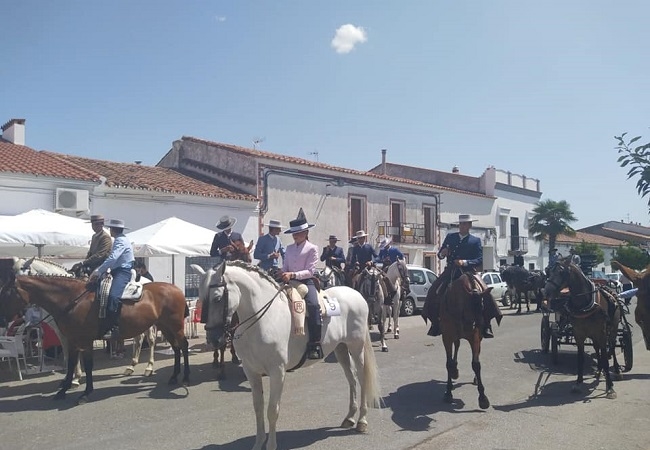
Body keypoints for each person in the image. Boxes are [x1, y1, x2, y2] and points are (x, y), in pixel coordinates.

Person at [423, 214, 501, 339]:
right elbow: (440, 254)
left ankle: (486, 324)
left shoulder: (475, 240)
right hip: (451, 271)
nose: (462, 226)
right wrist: (442, 253)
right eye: (461, 224)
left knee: (485, 292)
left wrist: (465, 262)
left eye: (465, 224)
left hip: (469, 272)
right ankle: (435, 322)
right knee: (434, 289)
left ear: (469, 225)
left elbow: (479, 259)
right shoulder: (450, 237)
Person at [280, 210, 322, 359]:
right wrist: (283, 272)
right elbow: (285, 265)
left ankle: (315, 343)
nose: (295, 235)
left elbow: (310, 271)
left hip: (306, 281)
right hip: (289, 281)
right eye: (293, 233)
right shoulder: (289, 248)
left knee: (313, 305)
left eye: (297, 233)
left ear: (305, 233)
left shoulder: (312, 248)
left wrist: (293, 274)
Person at [89, 218, 135, 339]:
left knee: (113, 296)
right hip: (115, 270)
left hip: (122, 272)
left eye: (110, 229)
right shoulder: (119, 239)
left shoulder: (120, 241)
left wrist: (99, 271)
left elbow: (113, 258)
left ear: (112, 230)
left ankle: (113, 326)